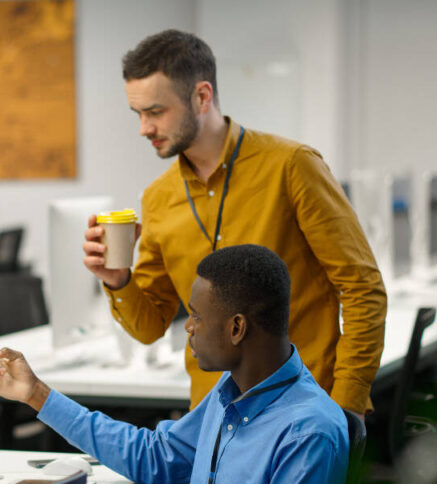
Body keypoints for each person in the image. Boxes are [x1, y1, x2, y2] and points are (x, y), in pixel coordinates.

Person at [0, 245, 349, 484]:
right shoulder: (230, 395)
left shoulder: (308, 433)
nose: (189, 329)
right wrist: (37, 394)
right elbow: (155, 456)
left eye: (196, 315)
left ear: (236, 328)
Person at [82, 30, 386, 418]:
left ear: (202, 96)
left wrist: (347, 404)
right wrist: (117, 280)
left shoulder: (291, 166)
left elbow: (363, 288)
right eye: (138, 114)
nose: (144, 128)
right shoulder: (158, 198)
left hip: (303, 414)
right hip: (213, 424)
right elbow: (149, 326)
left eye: (156, 112)